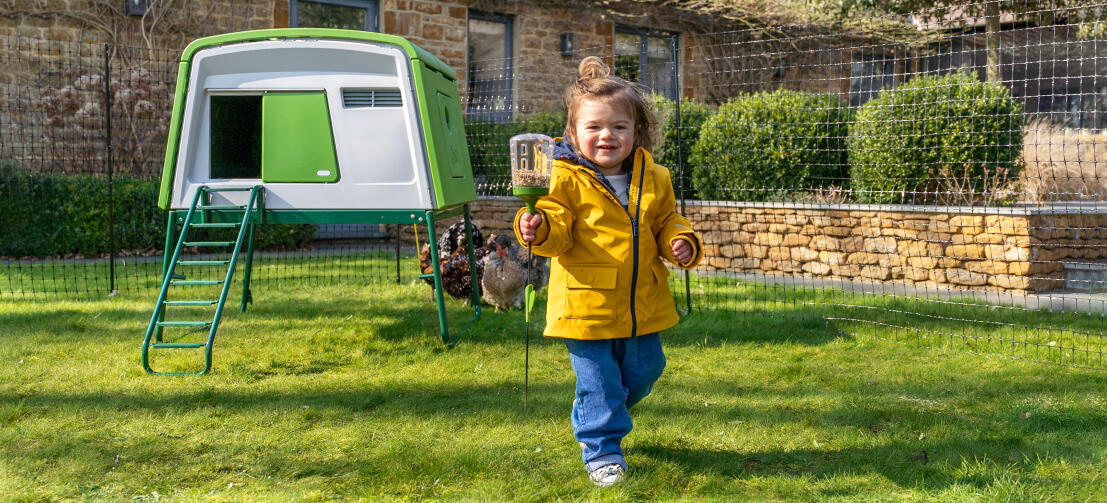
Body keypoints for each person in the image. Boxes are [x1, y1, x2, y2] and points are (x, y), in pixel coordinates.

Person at [513, 56, 703, 488]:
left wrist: (682, 241)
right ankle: (602, 450)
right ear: (573, 133)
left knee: (647, 369)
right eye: (594, 127)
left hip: (642, 301)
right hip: (586, 303)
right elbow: (555, 228)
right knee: (599, 382)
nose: (607, 136)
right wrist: (538, 226)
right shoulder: (560, 177)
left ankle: (602, 412)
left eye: (619, 126)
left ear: (638, 131)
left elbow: (668, 220)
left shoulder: (656, 177)